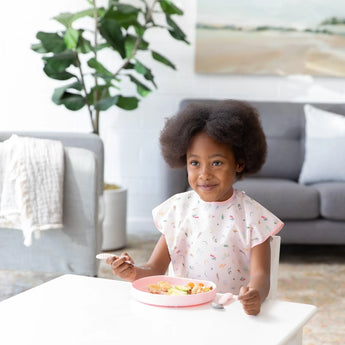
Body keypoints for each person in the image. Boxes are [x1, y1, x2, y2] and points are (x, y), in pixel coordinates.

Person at [107, 100, 284, 315]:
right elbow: (155, 269)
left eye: (216, 163)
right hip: (183, 310)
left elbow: (261, 277)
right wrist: (132, 272)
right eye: (195, 163)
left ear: (239, 163)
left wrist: (254, 295)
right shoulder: (177, 210)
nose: (204, 174)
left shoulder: (252, 216)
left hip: (231, 312)